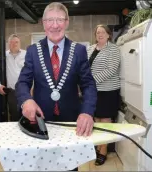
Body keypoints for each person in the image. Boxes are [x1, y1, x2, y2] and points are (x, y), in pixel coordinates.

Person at [15, 2, 97, 170]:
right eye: (50, 20)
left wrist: (87, 112)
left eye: (59, 20)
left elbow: (88, 85)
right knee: (43, 166)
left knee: (69, 166)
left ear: (66, 22)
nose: (54, 25)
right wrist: (26, 100)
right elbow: (22, 82)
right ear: (43, 23)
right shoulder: (32, 50)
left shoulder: (79, 50)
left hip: (71, 124)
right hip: (41, 122)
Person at [87, 24, 121, 166]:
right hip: (94, 91)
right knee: (96, 119)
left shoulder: (113, 49)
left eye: (102, 32)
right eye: (97, 32)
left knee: (105, 120)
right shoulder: (90, 48)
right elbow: (84, 66)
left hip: (108, 90)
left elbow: (111, 69)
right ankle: (98, 145)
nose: (99, 35)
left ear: (108, 35)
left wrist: (91, 80)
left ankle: (103, 151)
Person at [0, 34, 27, 121]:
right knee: (14, 116)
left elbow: (34, 72)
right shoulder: (3, 56)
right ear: (8, 44)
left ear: (20, 43)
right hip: (12, 92)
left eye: (16, 42)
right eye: (12, 42)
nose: (14, 44)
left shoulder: (26, 54)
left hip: (26, 91)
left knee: (27, 115)